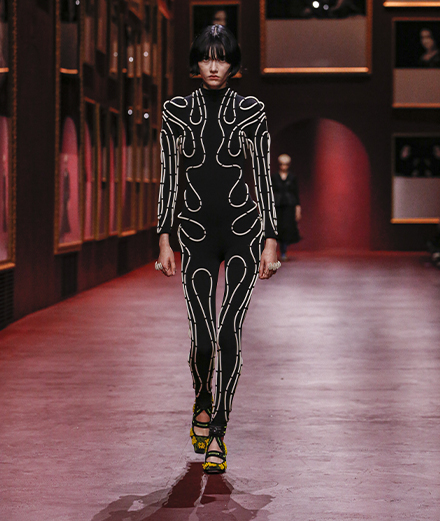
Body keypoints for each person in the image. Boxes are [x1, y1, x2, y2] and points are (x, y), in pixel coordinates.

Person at [155, 24, 279, 474]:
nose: (213, 66)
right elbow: (169, 176)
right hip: (195, 234)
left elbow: (263, 174)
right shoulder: (175, 111)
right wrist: (164, 236)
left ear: (233, 65)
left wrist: (271, 237)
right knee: (203, 340)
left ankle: (219, 434)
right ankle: (202, 402)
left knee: (229, 332)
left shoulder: (251, 110)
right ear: (196, 62)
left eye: (222, 58)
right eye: (207, 58)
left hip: (243, 230)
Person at [272, 154, 301, 261]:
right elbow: (270, 193)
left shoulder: (292, 177)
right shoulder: (274, 177)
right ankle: (276, 251)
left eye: (286, 164)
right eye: (281, 164)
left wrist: (298, 209)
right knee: (277, 228)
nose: (283, 166)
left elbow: (296, 193)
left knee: (286, 228)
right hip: (277, 205)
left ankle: (283, 251)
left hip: (289, 205)